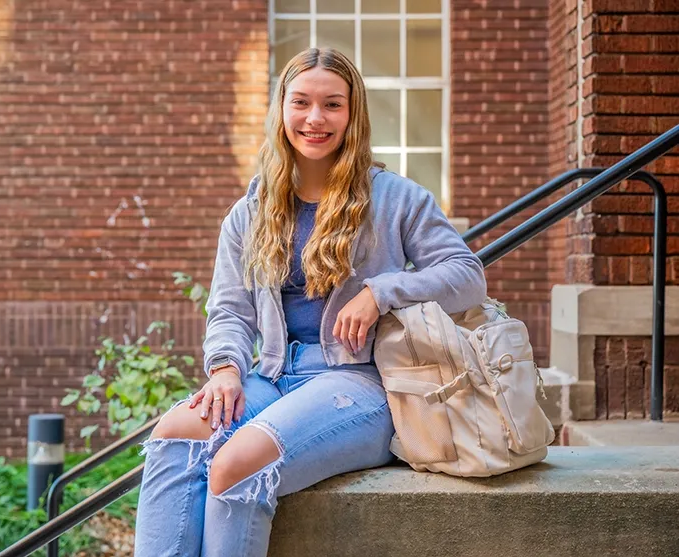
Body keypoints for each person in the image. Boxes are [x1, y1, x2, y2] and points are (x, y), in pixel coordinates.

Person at [133, 47, 487, 557]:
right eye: (301, 102)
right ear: (281, 110)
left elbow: (467, 277)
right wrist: (227, 370)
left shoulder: (394, 199)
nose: (315, 118)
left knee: (238, 462)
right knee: (176, 435)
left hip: (360, 383)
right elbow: (230, 309)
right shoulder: (250, 211)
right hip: (272, 376)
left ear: (353, 114)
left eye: (332, 105)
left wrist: (380, 292)